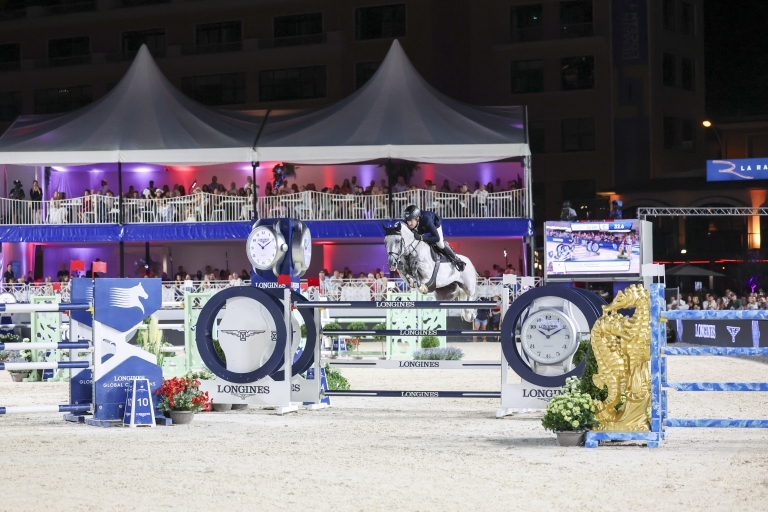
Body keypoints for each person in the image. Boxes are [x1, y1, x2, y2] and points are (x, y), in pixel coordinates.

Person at [402, 204, 465, 271]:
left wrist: (422, 238)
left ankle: (457, 259)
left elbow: (436, 238)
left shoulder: (426, 219)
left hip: (434, 224)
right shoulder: (408, 221)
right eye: (407, 221)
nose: (409, 224)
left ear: (417, 218)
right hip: (421, 227)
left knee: (440, 244)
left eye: (411, 221)